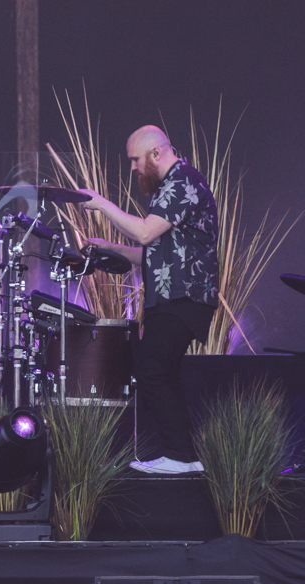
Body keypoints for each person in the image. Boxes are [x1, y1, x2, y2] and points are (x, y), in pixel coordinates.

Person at [77, 125, 218, 475]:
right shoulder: (168, 188)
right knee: (159, 371)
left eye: (136, 160)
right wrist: (109, 248)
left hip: (185, 296)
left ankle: (181, 457)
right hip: (169, 297)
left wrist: (100, 203)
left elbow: (144, 231)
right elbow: (151, 253)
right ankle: (185, 456)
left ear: (156, 153)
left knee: (153, 369)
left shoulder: (182, 181)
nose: (134, 168)